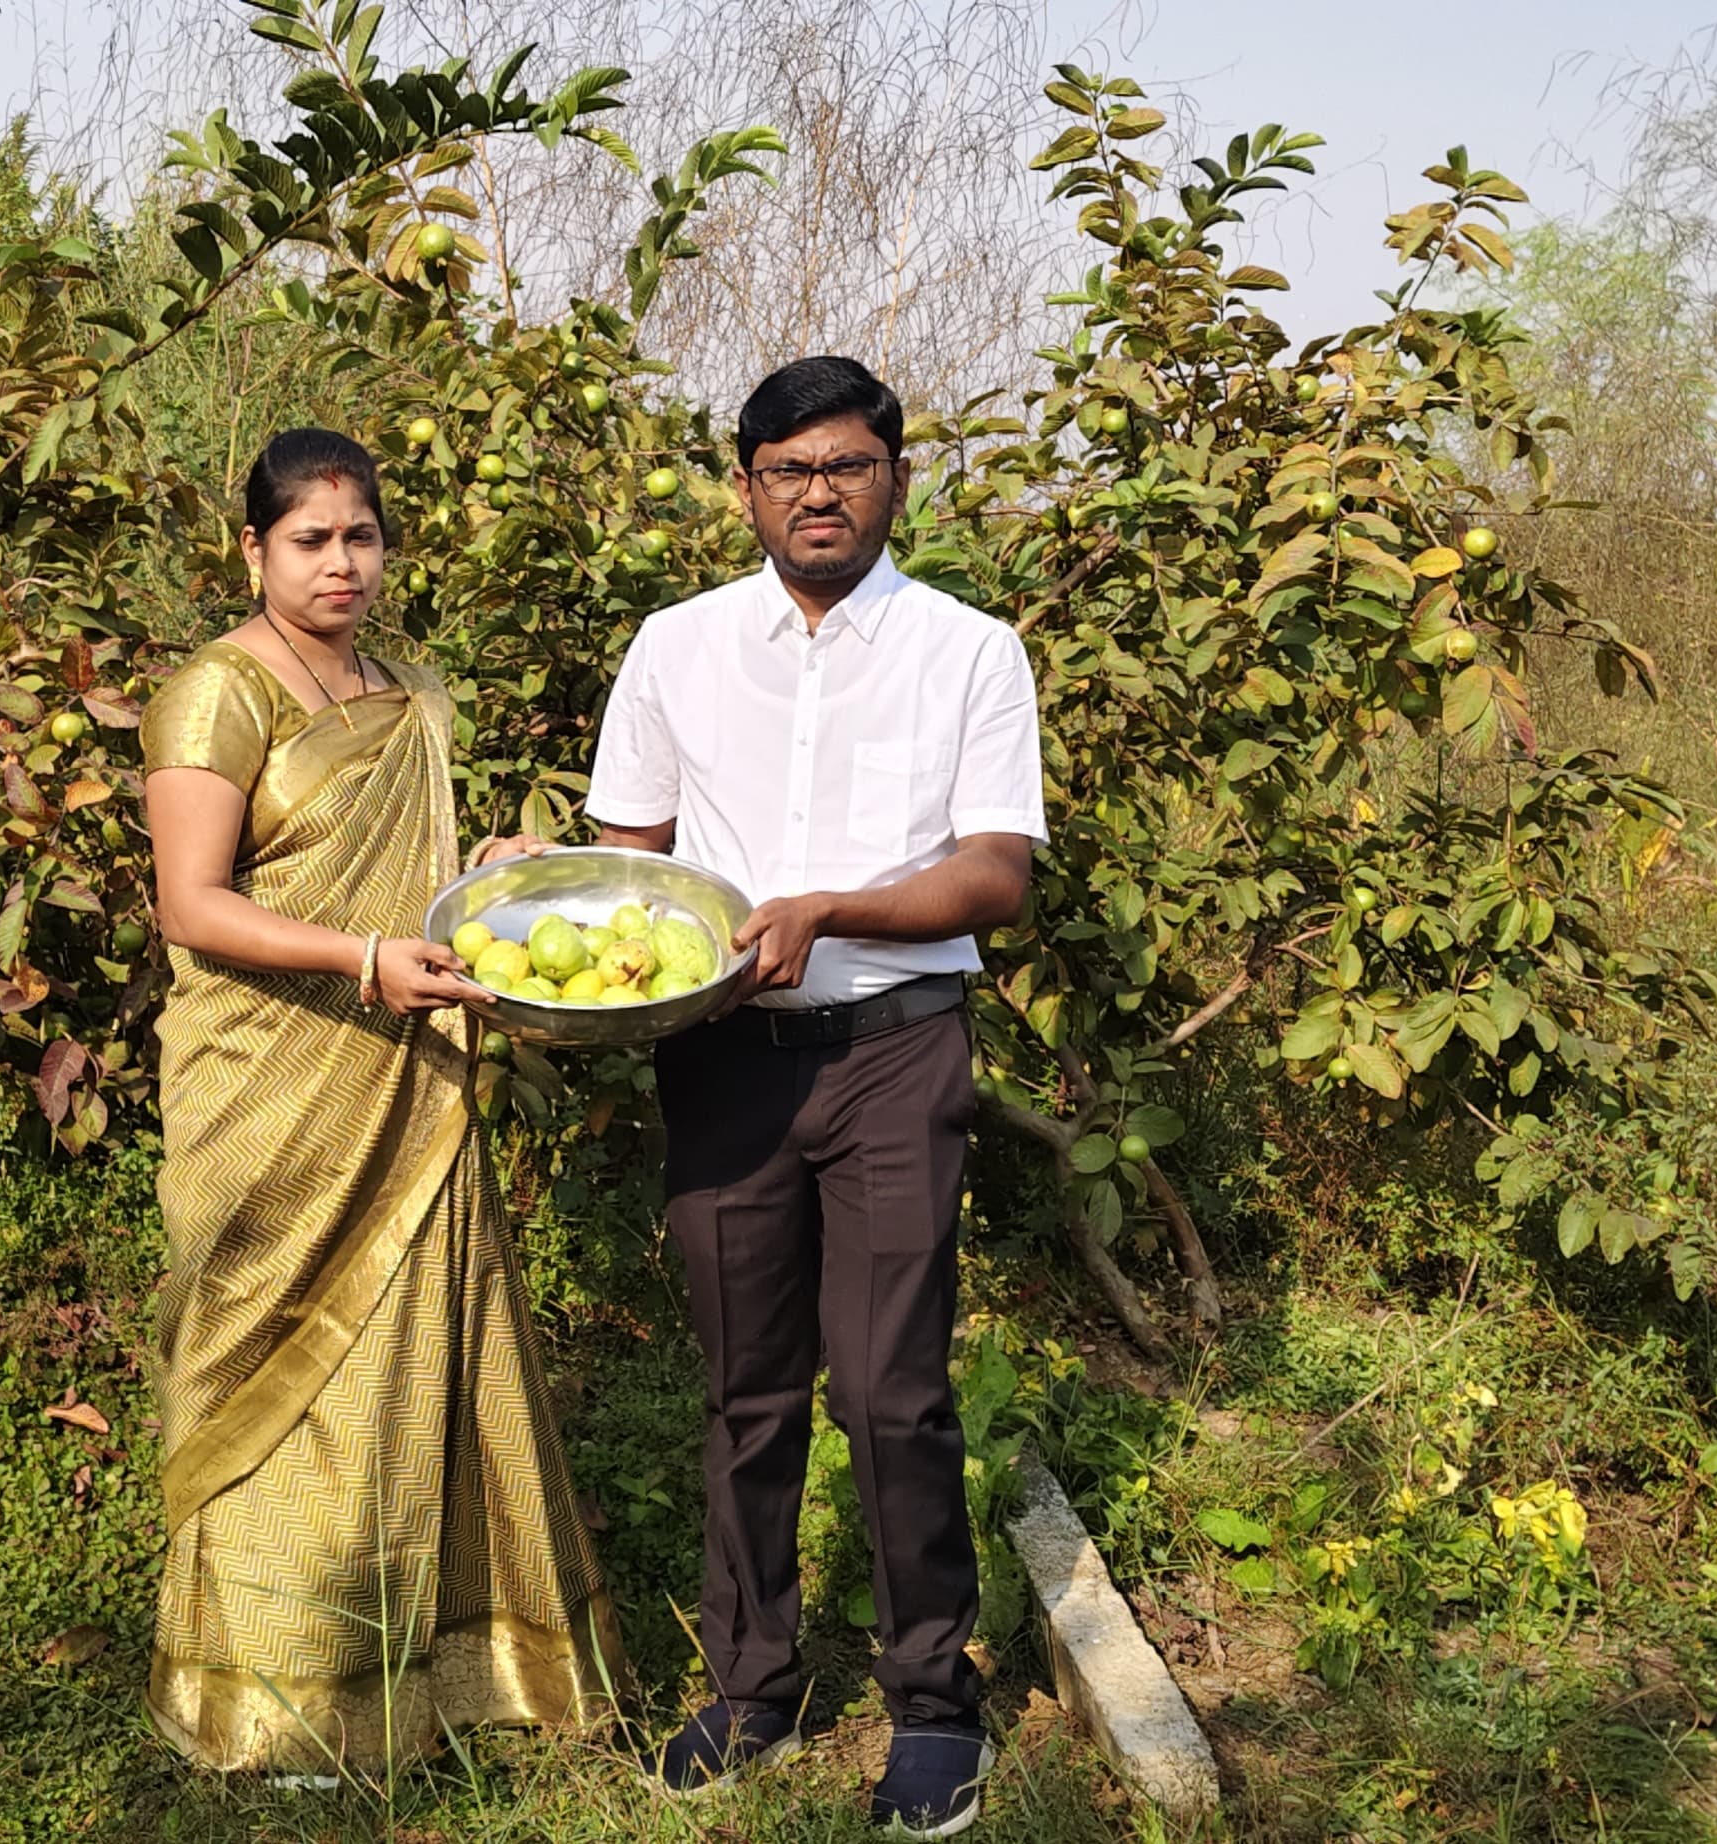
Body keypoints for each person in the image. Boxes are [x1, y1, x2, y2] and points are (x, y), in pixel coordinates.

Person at [588, 357, 1044, 1837]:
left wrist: (832, 910)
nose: (821, 494)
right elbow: (629, 861)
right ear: (747, 491)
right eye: (790, 472)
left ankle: (930, 1699)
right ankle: (753, 1684)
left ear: (896, 477)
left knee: (895, 1385)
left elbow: (996, 874)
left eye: (849, 466)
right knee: (747, 1386)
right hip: (721, 1060)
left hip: (894, 1051)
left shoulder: (969, 652)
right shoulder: (676, 646)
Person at [138, 427, 627, 1778]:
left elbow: (396, 883)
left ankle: (448, 1678)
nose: (341, 563)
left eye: (361, 536)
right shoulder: (216, 697)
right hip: (267, 1084)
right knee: (262, 1359)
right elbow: (194, 902)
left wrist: (488, 873)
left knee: (412, 1360)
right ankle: (271, 1705)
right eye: (311, 539)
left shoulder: (413, 696)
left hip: (407, 1077)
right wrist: (361, 962)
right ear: (254, 549)